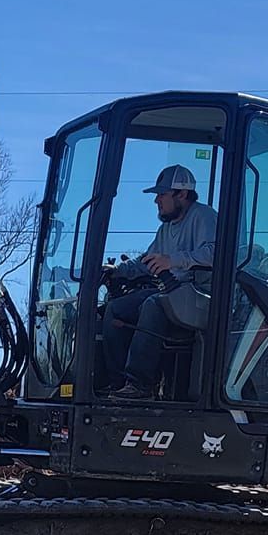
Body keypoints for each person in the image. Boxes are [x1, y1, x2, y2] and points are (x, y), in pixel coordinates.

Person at [100, 165, 218, 397]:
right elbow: (147, 262)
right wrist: (117, 271)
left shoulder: (204, 217)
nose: (157, 201)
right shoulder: (166, 229)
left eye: (162, 194)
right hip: (171, 292)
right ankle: (118, 383)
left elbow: (217, 254)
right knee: (115, 309)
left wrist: (173, 261)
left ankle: (141, 384)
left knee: (154, 304)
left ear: (181, 194)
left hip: (200, 295)